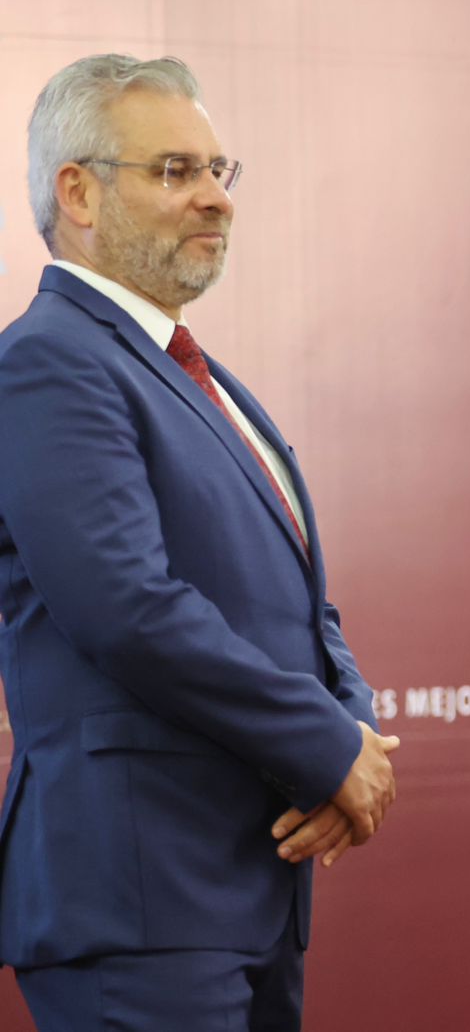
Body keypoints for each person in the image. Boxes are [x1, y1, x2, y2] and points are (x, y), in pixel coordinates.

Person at [0, 55, 399, 1030]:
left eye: (220, 170)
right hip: (139, 898)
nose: (217, 197)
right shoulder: (48, 362)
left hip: (248, 888)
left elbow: (300, 600)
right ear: (78, 192)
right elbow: (127, 609)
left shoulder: (192, 371)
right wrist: (325, 746)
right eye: (176, 171)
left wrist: (349, 729)